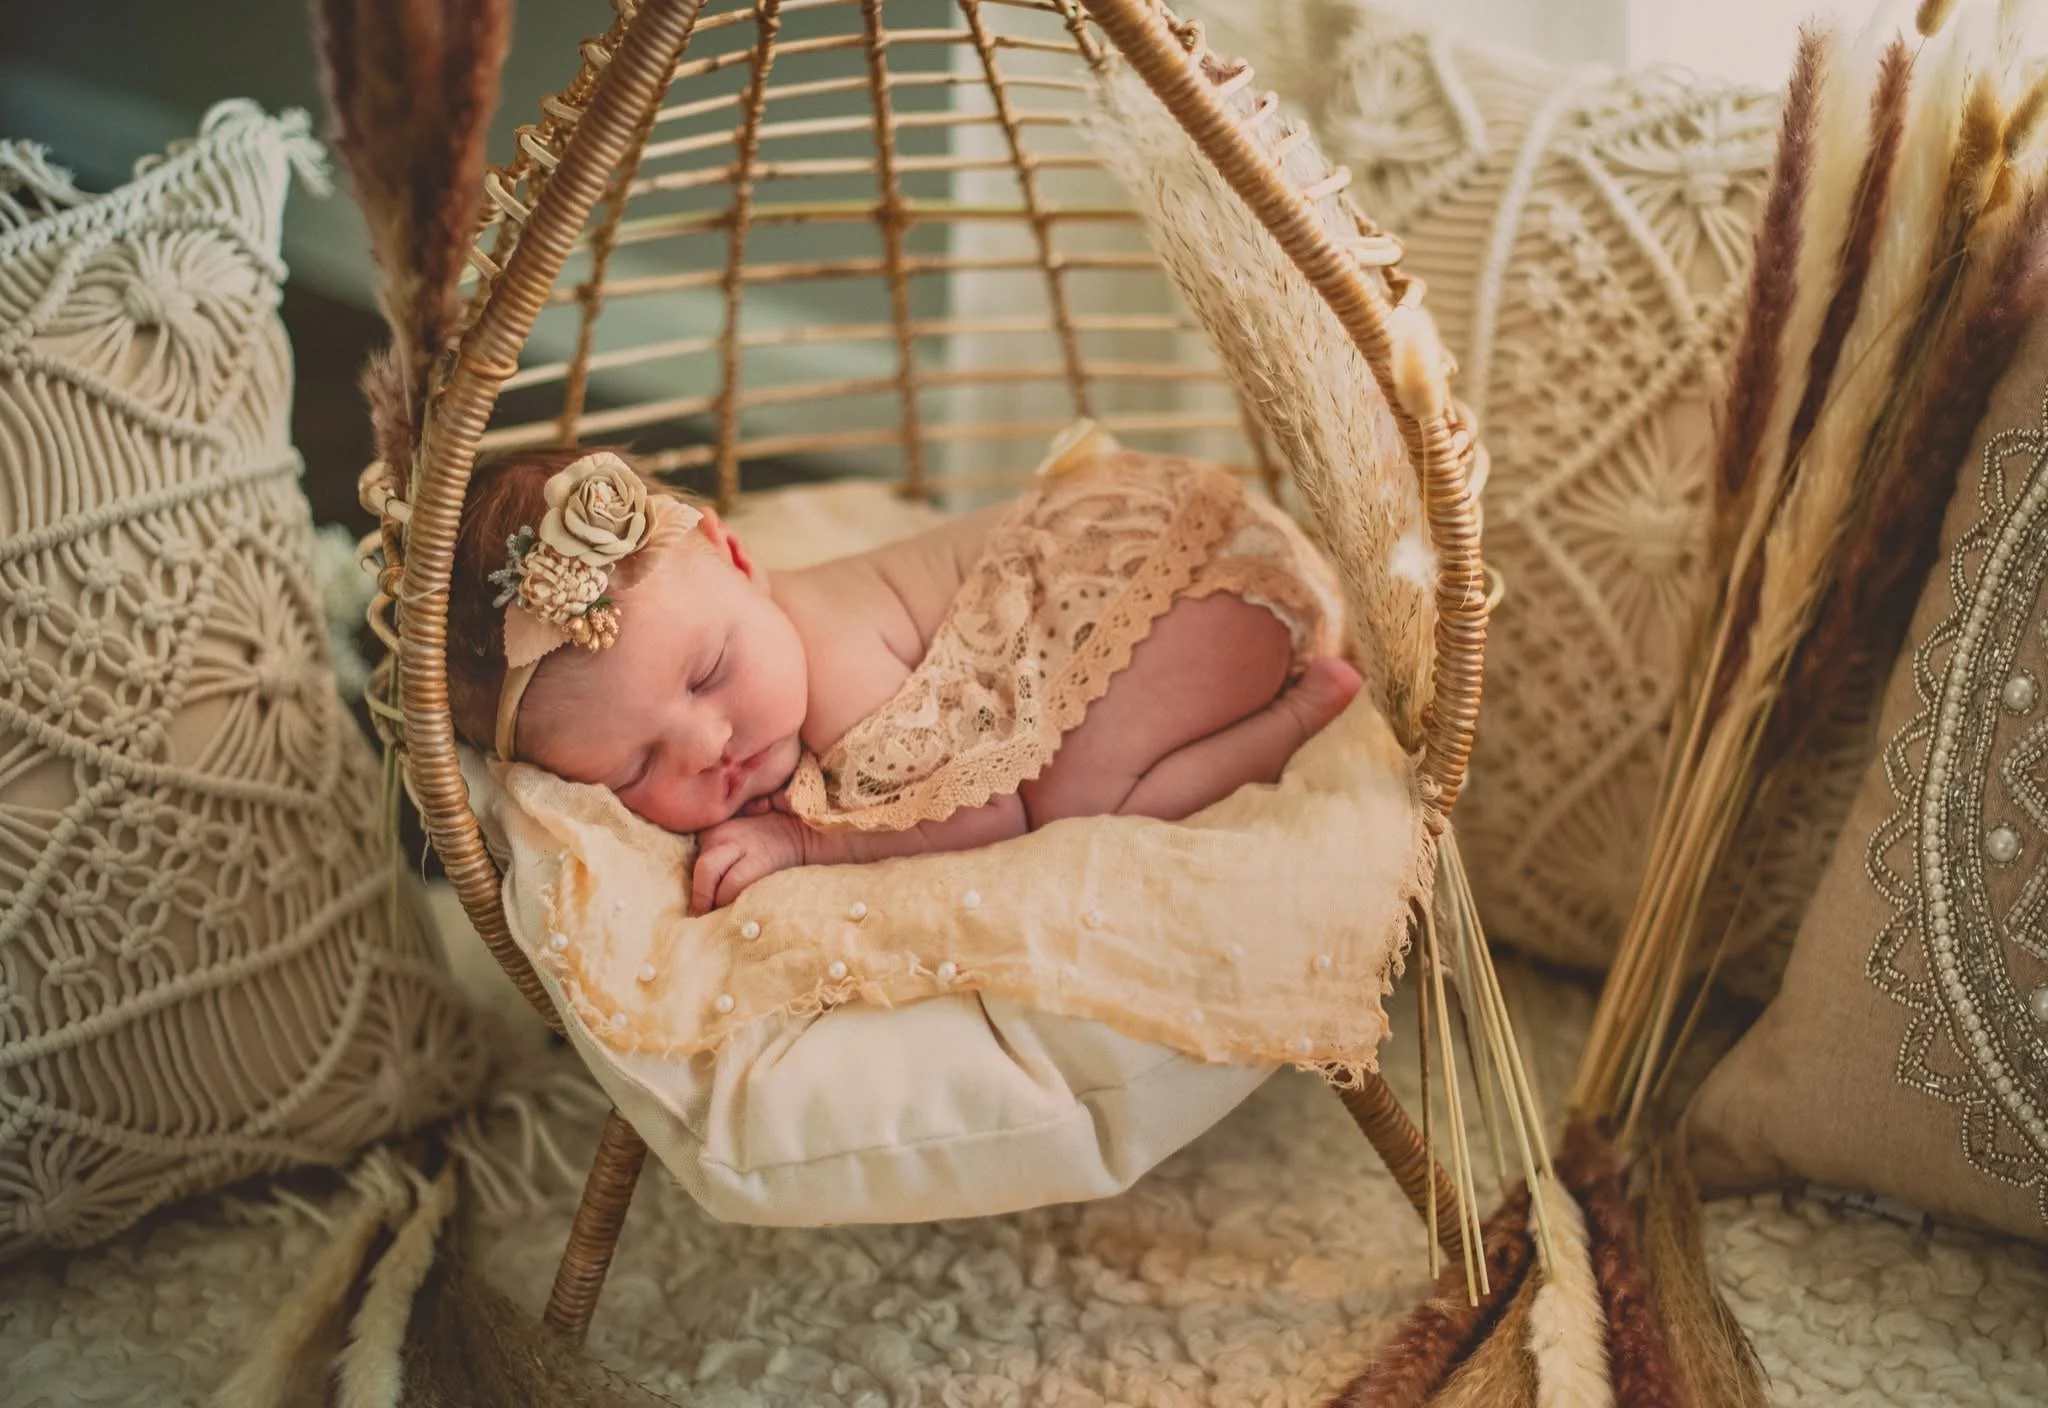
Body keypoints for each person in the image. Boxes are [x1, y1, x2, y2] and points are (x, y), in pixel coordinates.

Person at [444, 427, 1362, 914]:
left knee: (1075, 803)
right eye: (635, 769)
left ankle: (1296, 713)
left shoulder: (835, 667)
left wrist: (803, 845)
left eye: (709, 672)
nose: (708, 744)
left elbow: (989, 809)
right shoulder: (748, 643)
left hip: (1201, 578)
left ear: (736, 558)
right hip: (1163, 539)